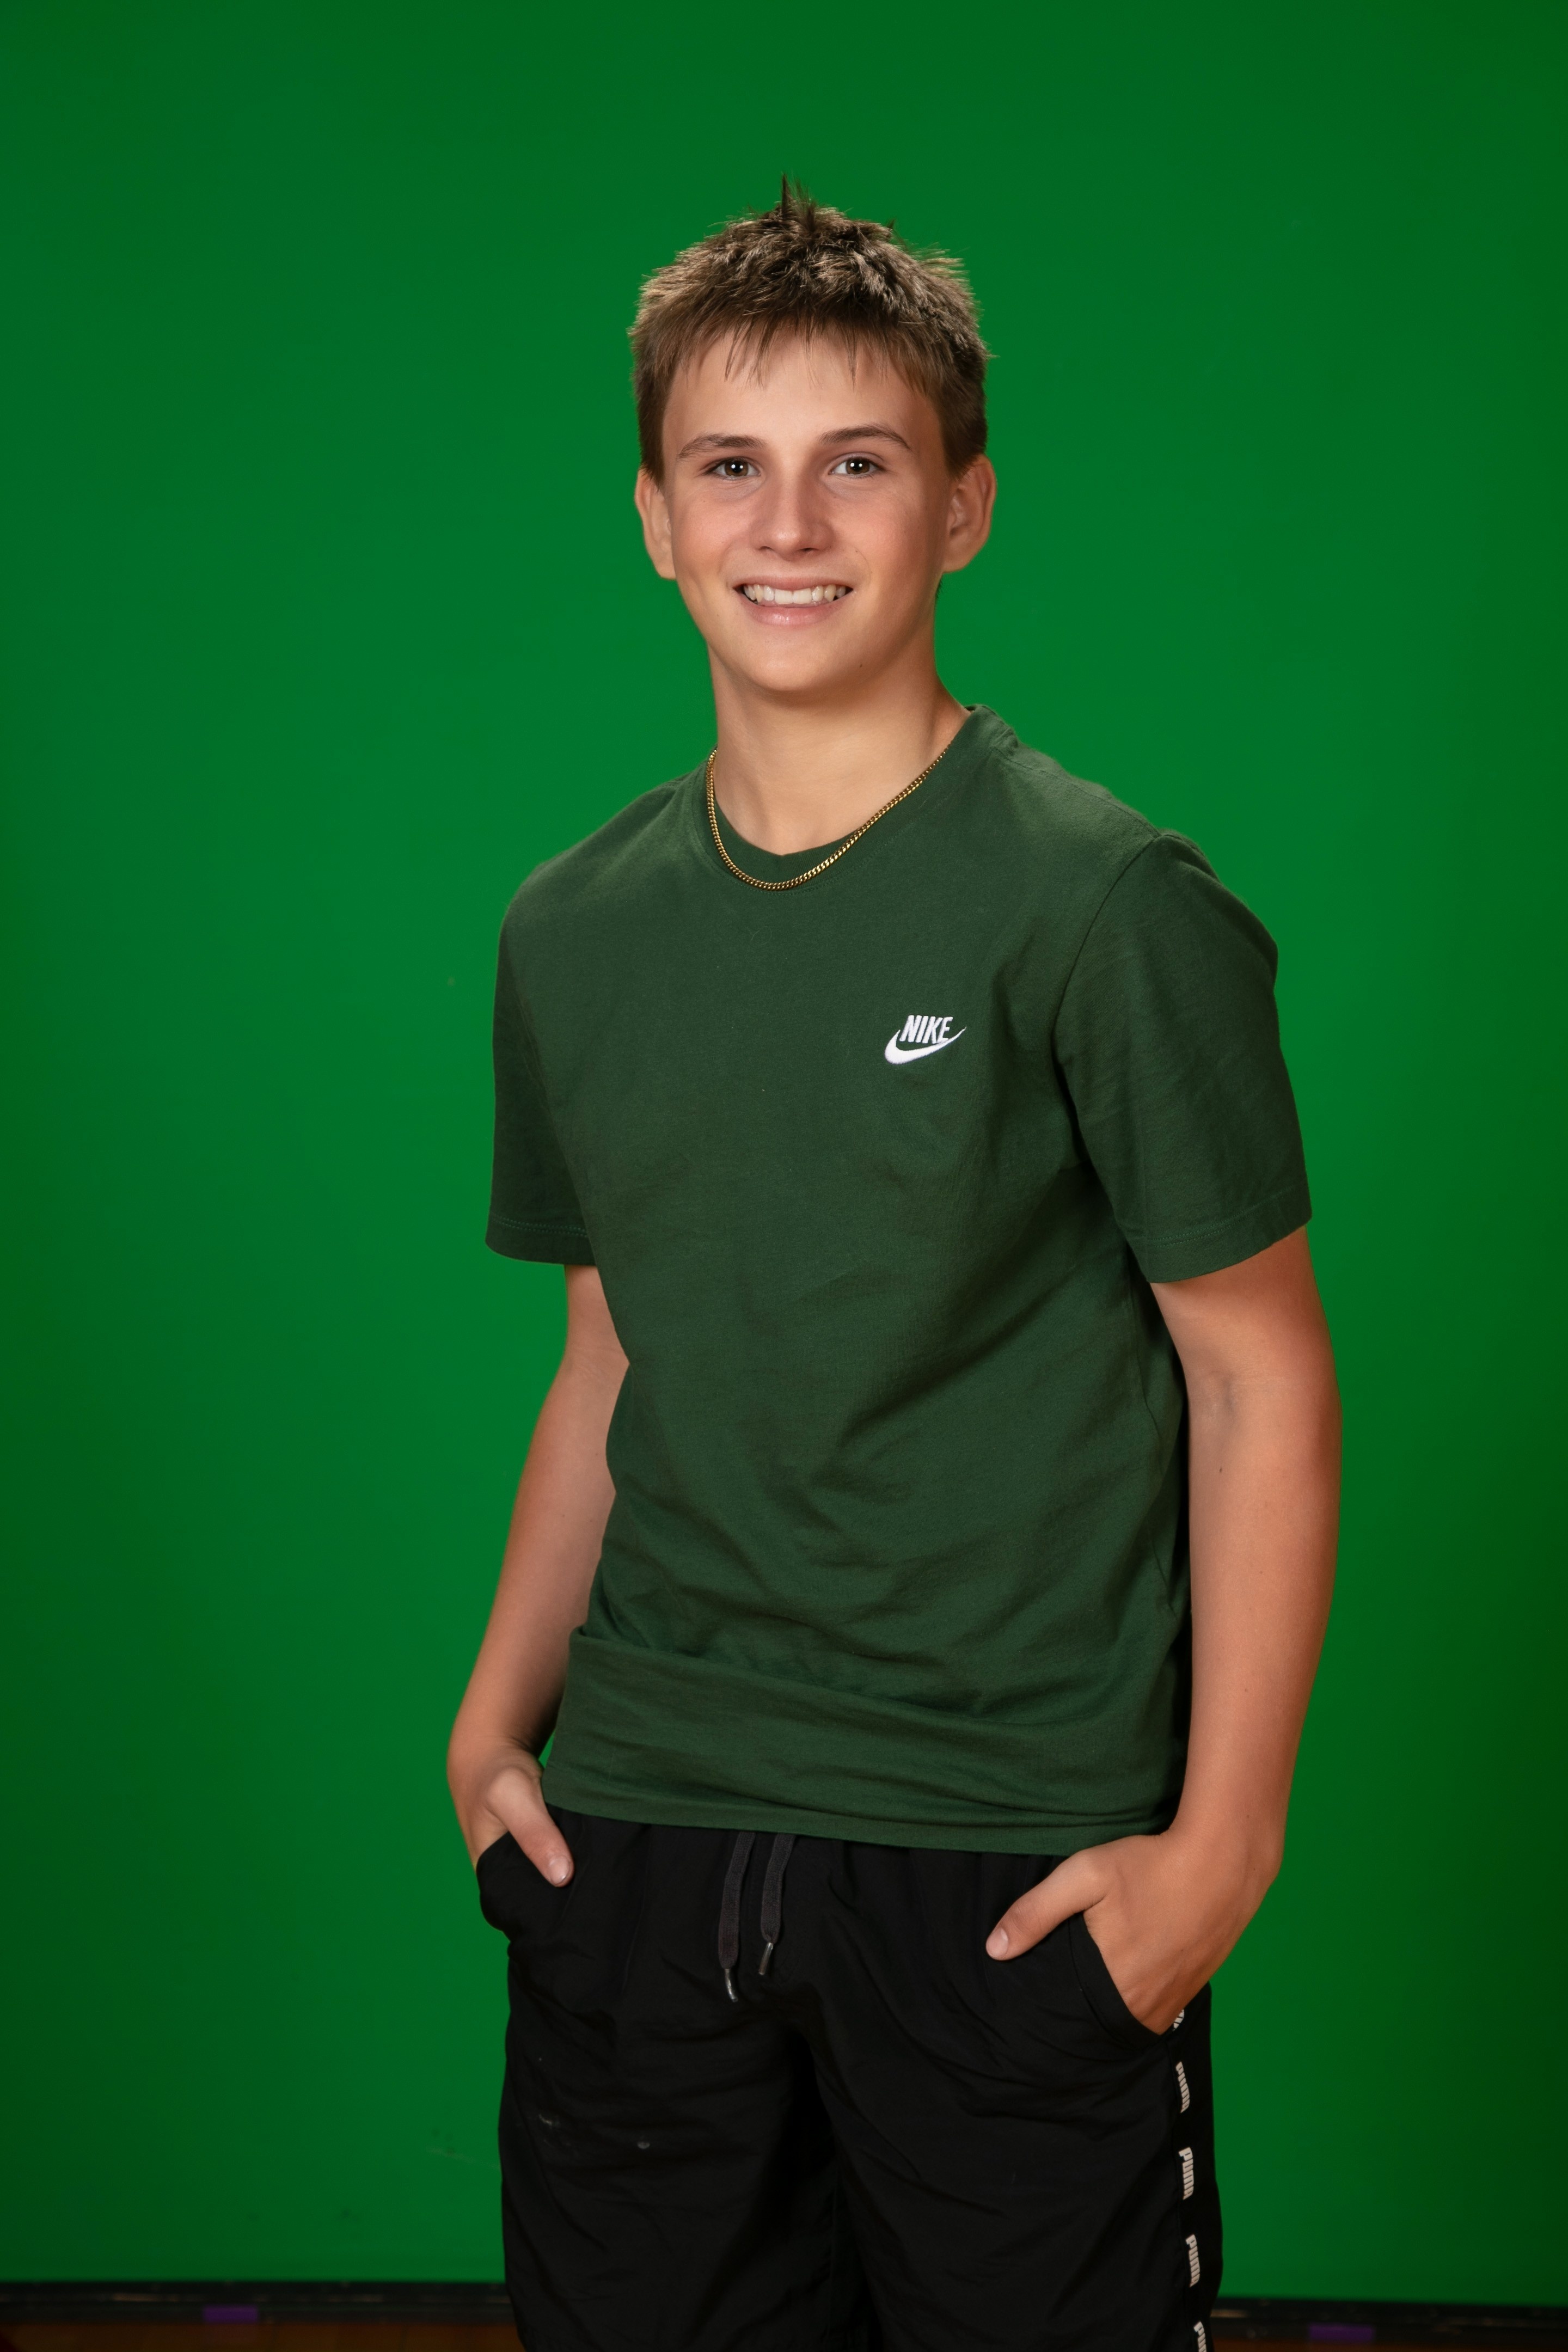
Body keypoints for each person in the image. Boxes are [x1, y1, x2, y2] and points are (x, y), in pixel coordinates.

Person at [448, 183, 1341, 2352]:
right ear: (655, 519)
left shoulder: (1105, 905)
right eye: (728, 466)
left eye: (858, 461)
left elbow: (1264, 1383)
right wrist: (489, 1733)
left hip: (1002, 1860)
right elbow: (608, 1357)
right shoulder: (570, 930)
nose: (790, 523)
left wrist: (1224, 1849)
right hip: (644, 1844)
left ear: (962, 508)